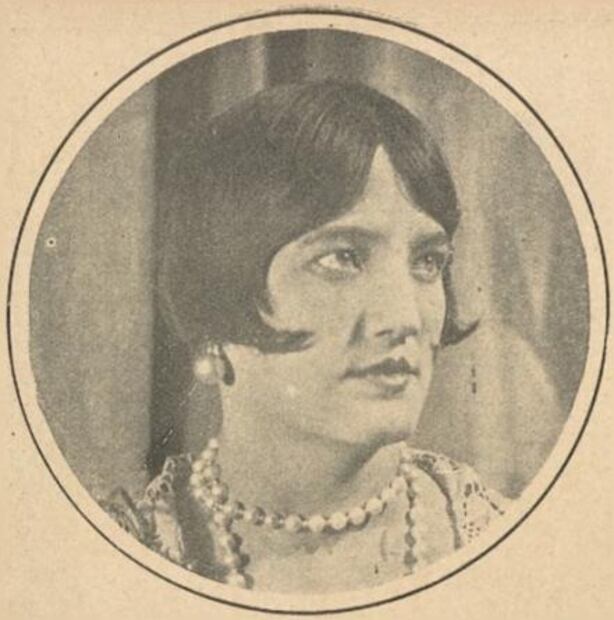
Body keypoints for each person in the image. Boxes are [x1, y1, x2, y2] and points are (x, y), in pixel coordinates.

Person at [101, 80, 507, 593]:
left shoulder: (496, 540)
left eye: (427, 261)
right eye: (342, 258)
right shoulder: (117, 559)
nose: (404, 317)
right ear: (219, 291)